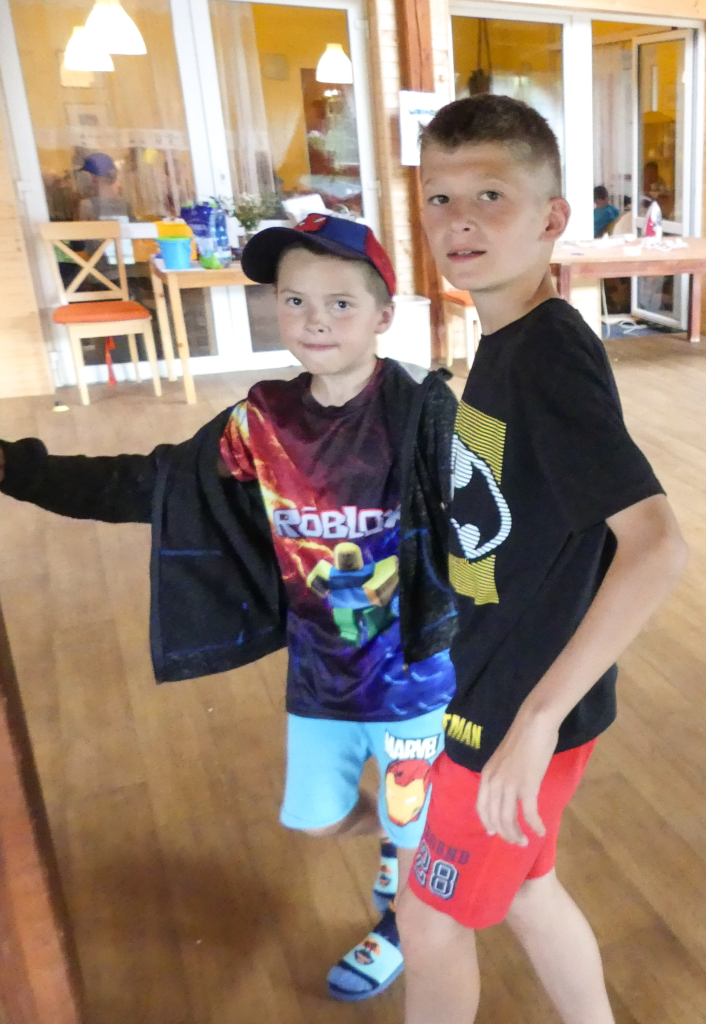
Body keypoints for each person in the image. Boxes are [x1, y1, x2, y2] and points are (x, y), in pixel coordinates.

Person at [0, 214, 458, 1003]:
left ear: (384, 316)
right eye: (295, 300)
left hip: (417, 681)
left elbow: (499, 519)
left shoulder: (424, 411)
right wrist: (20, 470)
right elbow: (157, 482)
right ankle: (397, 836)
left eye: (341, 303)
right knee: (317, 819)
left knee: (422, 839)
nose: (315, 320)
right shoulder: (263, 421)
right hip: (321, 680)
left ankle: (400, 923)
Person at [396, 93, 688, 1024]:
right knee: (525, 888)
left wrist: (533, 719)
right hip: (501, 681)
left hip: (513, 709)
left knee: (429, 919)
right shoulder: (509, 344)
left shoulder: (546, 358)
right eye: (439, 198)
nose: (460, 220)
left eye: (492, 195)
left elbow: (656, 546)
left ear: (553, 218)